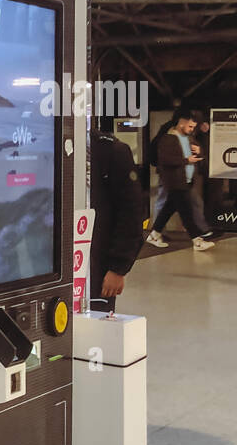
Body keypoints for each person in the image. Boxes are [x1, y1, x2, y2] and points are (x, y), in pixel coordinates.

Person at [89, 121, 144, 312]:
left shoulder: (110, 151)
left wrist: (118, 267)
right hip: (57, 265)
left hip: (97, 265)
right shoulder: (46, 145)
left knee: (95, 326)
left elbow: (132, 212)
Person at [147, 107, 215, 251]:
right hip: (175, 180)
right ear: (182, 123)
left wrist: (199, 151)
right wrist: (187, 160)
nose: (192, 129)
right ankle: (197, 240)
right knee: (186, 212)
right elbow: (166, 159)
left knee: (168, 208)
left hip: (185, 180)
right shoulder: (168, 138)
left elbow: (195, 154)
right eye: (190, 126)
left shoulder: (187, 138)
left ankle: (154, 234)